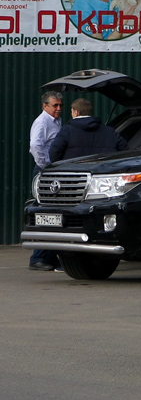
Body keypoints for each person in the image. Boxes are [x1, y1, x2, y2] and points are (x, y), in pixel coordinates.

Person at [28, 90, 64, 271]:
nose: (58, 109)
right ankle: (38, 257)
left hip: (53, 171)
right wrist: (45, 165)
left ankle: (49, 255)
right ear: (45, 106)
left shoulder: (56, 121)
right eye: (54, 105)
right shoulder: (42, 122)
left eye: (60, 105)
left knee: (54, 213)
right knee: (44, 212)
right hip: (45, 171)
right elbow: (35, 145)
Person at [49, 98, 128, 163]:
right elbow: (126, 152)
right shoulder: (110, 131)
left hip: (74, 175)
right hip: (103, 176)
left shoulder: (67, 130)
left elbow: (54, 152)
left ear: (76, 112)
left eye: (72, 111)